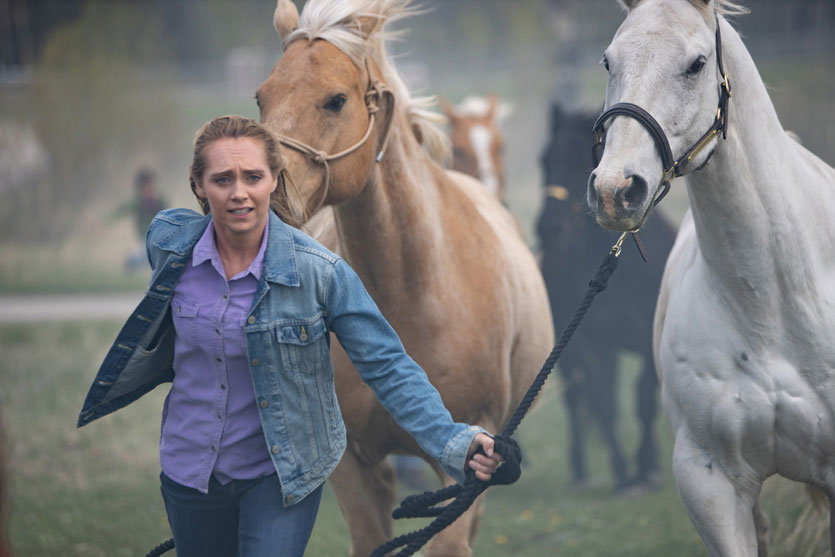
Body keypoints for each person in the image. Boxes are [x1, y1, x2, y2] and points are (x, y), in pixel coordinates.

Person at [77, 115, 503, 557]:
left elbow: (388, 365)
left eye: (252, 177)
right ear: (198, 185)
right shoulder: (170, 244)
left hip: (280, 474)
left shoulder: (321, 273)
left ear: (274, 181)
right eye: (222, 179)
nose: (239, 192)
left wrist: (455, 442)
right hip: (189, 470)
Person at [114, 167, 167, 271]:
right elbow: (122, 211)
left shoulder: (159, 201)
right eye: (145, 187)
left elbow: (169, 217)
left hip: (159, 236)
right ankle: (131, 261)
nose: (149, 190)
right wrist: (104, 222)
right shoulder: (138, 203)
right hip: (144, 236)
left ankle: (133, 261)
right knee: (146, 254)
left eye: (151, 186)